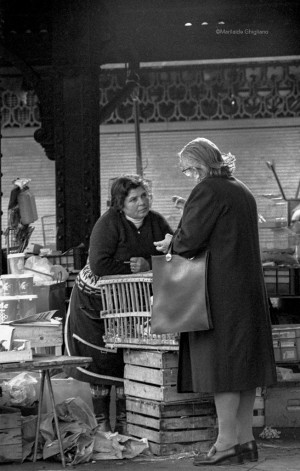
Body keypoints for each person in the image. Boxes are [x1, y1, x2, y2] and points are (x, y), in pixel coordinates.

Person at [154, 138, 277, 466]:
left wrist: (171, 241)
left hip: (219, 295)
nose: (189, 177)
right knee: (245, 369)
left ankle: (224, 444)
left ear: (199, 165)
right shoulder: (241, 189)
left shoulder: (208, 189)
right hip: (248, 292)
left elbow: (188, 242)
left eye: (187, 170)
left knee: (222, 369)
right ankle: (245, 441)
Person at [65, 174, 173, 433]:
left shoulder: (157, 222)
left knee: (129, 358)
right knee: (101, 360)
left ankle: (128, 425)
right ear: (120, 203)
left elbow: (172, 255)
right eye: (133, 199)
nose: (141, 203)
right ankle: (103, 426)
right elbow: (100, 265)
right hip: (94, 303)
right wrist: (132, 268)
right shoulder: (108, 224)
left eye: (144, 196)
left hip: (130, 303)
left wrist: (149, 263)